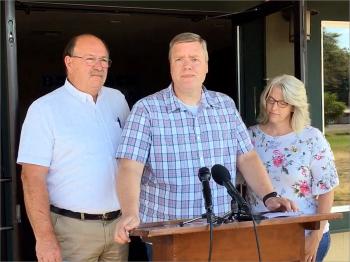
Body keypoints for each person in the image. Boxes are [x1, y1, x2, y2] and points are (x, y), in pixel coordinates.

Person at [114, 32, 297, 244]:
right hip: (167, 234)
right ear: (170, 65)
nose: (187, 65)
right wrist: (129, 212)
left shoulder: (225, 106)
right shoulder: (146, 110)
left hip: (219, 229)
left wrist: (269, 196)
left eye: (194, 59)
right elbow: (129, 167)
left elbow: (247, 157)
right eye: (179, 59)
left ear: (206, 66)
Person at [17, 34, 130, 262]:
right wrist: (45, 238)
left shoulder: (117, 99)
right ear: (69, 62)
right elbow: (32, 178)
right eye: (90, 59)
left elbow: (130, 160)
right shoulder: (44, 109)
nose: (99, 67)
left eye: (104, 60)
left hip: (118, 228)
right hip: (71, 231)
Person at [245, 74, 339, 262]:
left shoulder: (311, 138)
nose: (273, 107)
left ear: (294, 106)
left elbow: (327, 192)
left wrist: (316, 236)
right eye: (270, 100)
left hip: (304, 234)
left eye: (282, 103)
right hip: (260, 236)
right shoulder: (250, 136)